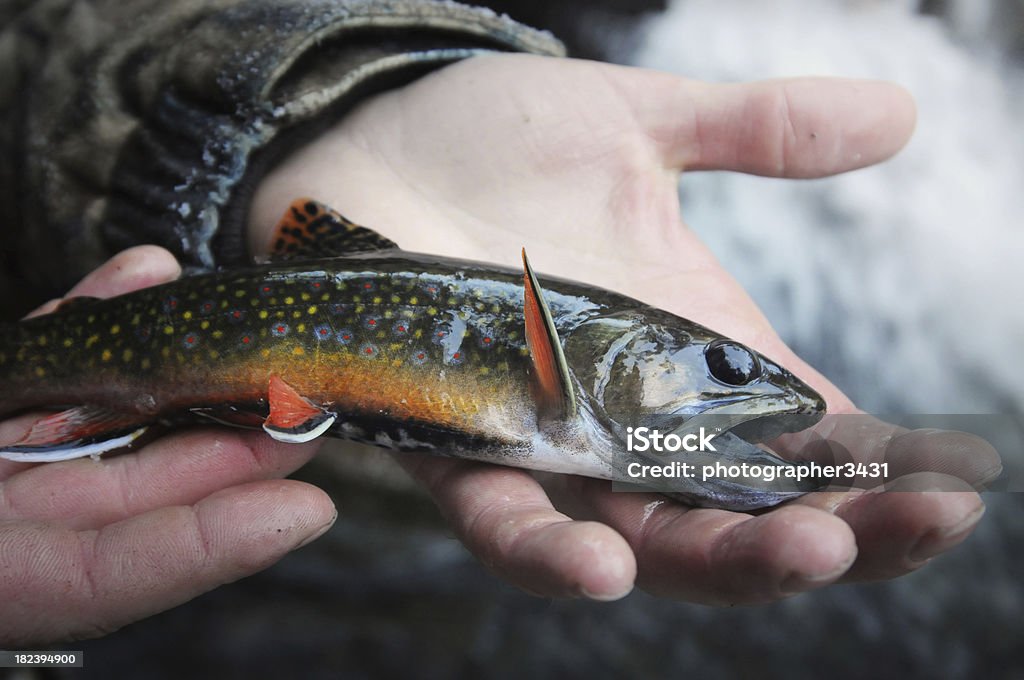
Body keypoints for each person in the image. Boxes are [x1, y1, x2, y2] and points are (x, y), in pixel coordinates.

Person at [0, 1, 998, 645]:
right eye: (726, 370)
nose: (751, 392)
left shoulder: (583, 404)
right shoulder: (552, 381)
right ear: (592, 362)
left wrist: (290, 133)